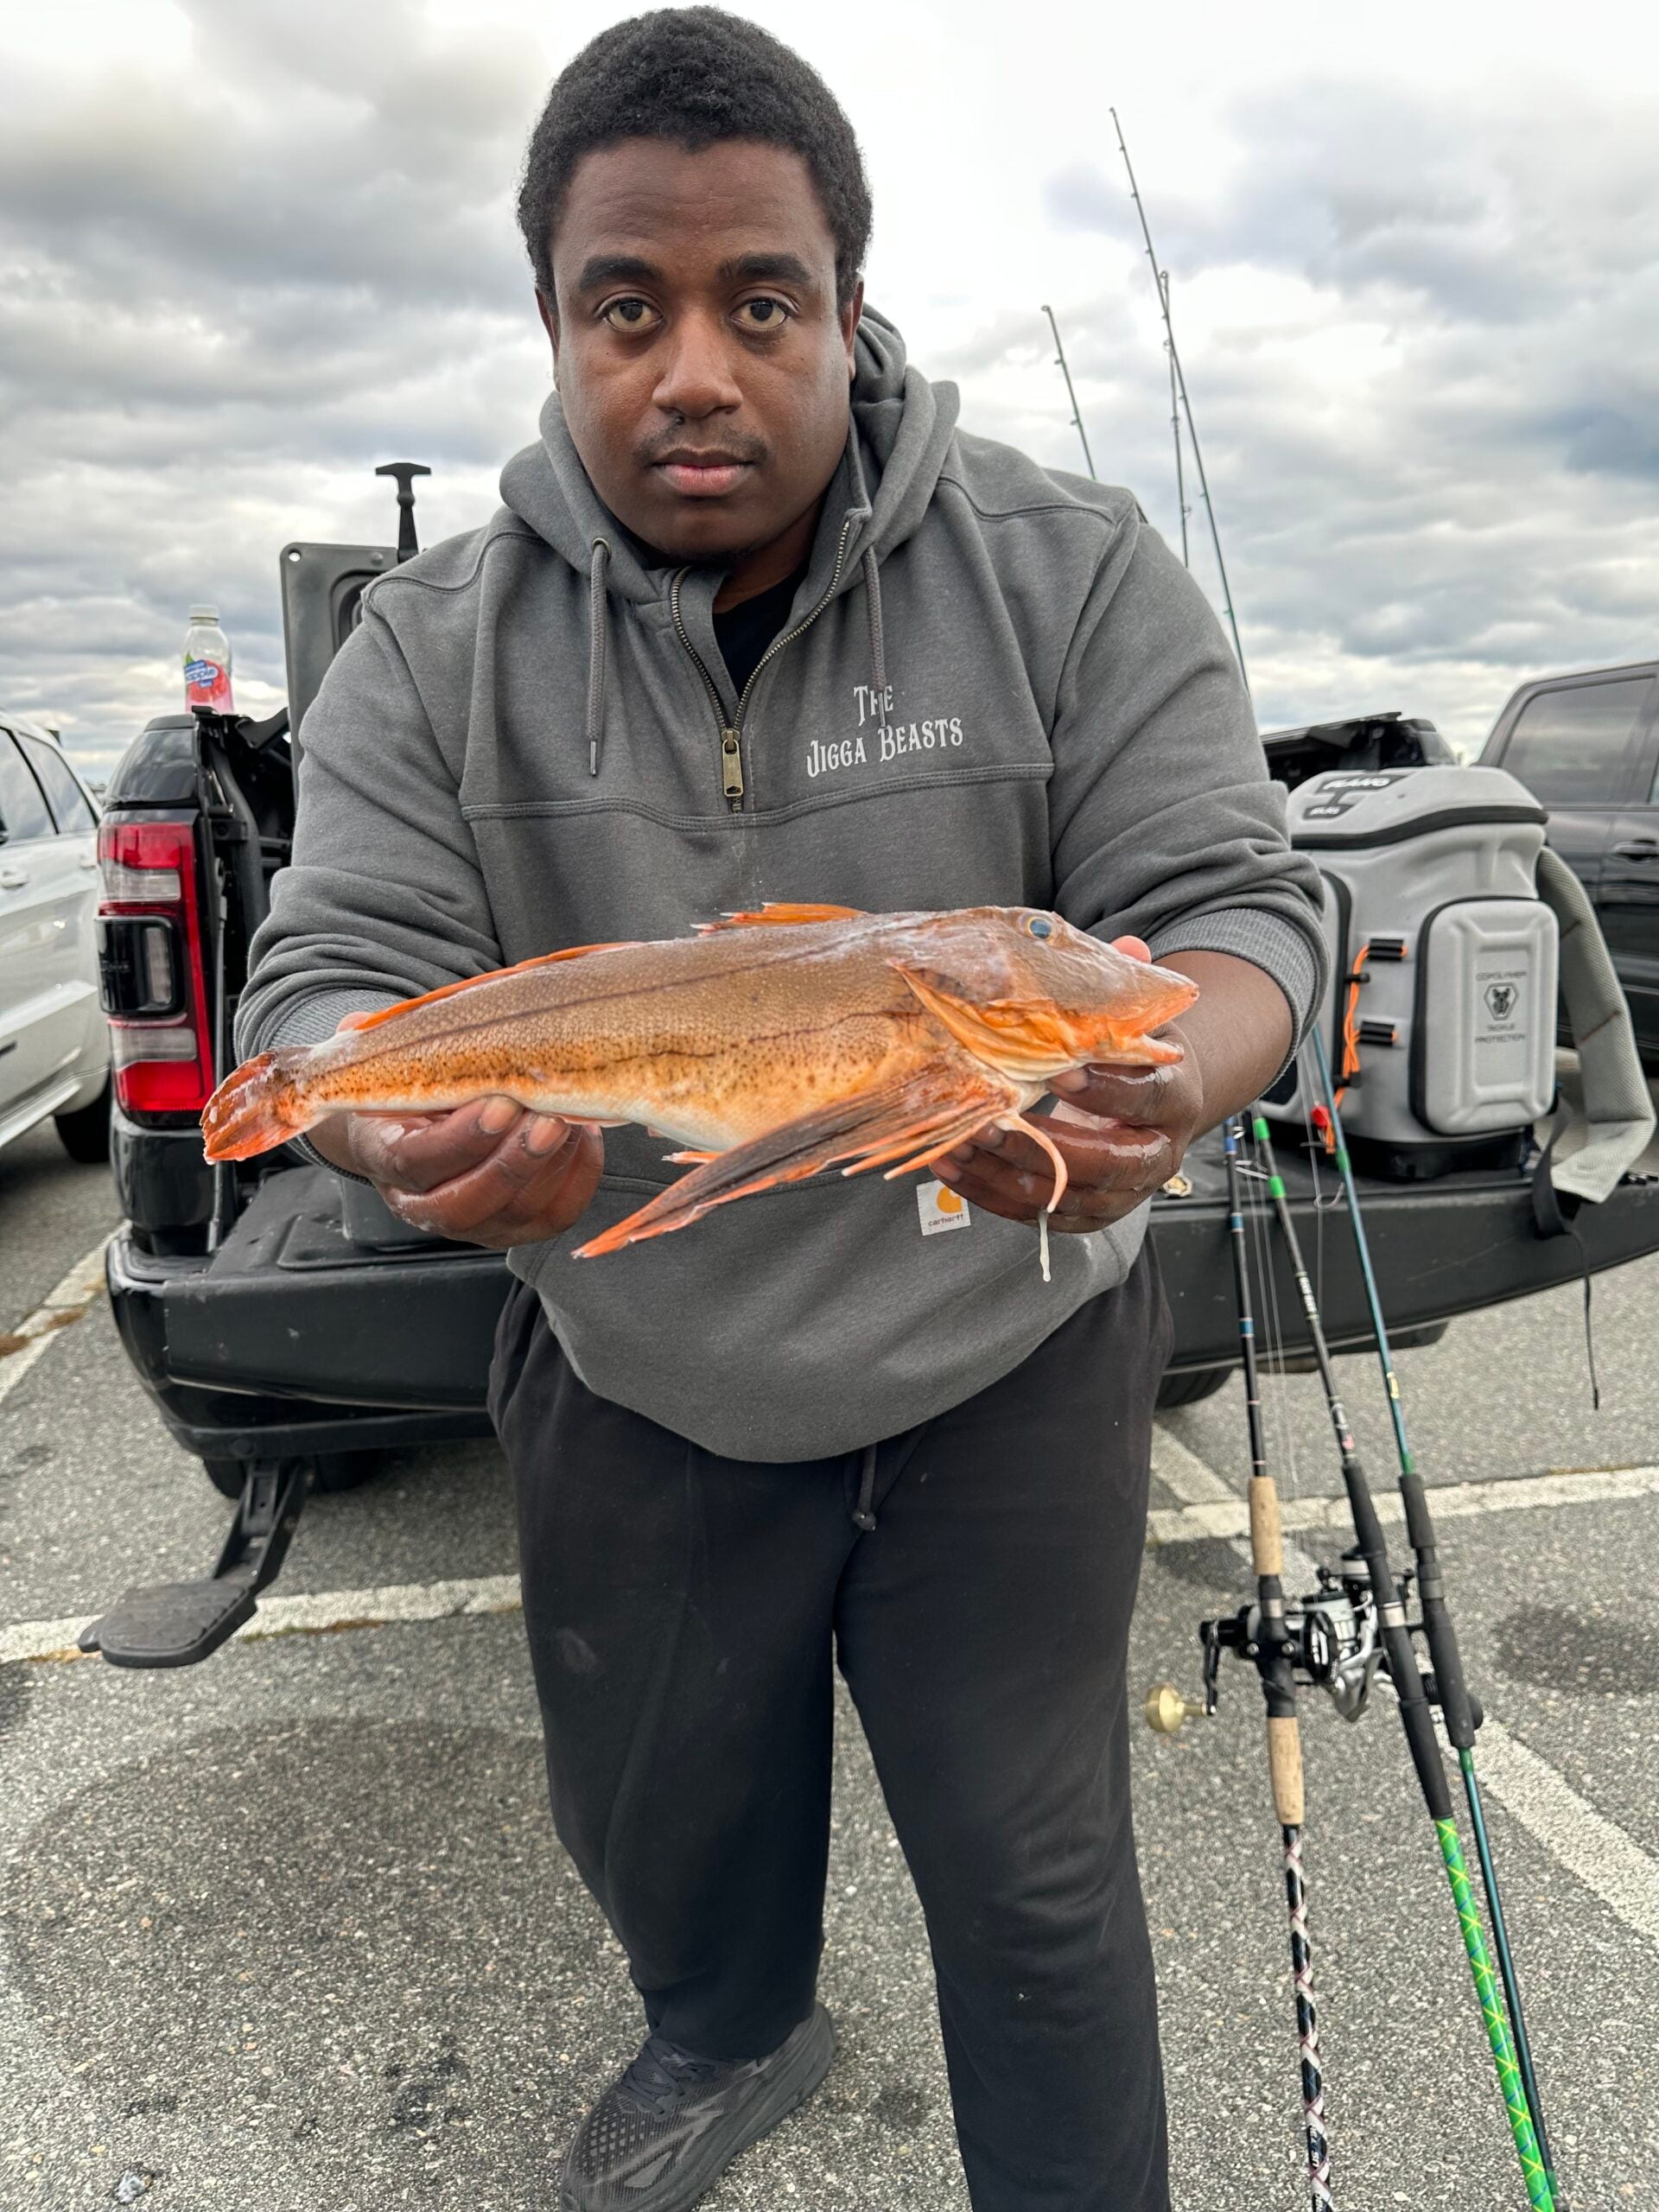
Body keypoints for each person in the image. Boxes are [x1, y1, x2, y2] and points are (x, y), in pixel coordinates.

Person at [238, 12, 1325, 2208]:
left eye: (763, 302)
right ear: (554, 321)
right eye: (623, 309)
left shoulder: (1067, 566)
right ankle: (723, 2028)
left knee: (1034, 1884)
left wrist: (1160, 1084)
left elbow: (1235, 910)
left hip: (1000, 1349)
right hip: (636, 1357)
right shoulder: (433, 647)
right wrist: (378, 1133)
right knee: (664, 1815)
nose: (695, 370)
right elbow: (331, 975)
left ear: (847, 302)